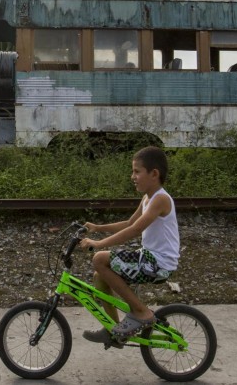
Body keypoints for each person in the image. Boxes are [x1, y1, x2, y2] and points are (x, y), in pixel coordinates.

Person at [79, 146, 179, 345]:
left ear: (154, 174)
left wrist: (98, 244)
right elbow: (128, 223)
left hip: (158, 262)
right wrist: (97, 227)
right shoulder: (148, 198)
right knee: (99, 276)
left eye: (136, 171)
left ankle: (141, 312)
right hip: (149, 257)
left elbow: (134, 231)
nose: (132, 176)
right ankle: (114, 330)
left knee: (99, 259)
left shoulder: (161, 199)